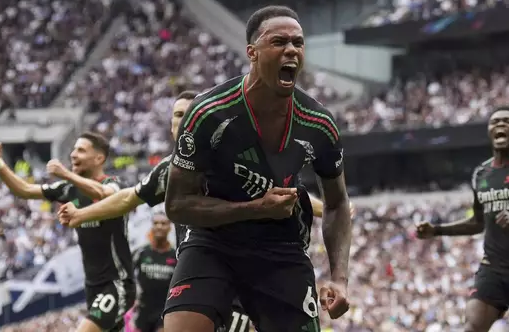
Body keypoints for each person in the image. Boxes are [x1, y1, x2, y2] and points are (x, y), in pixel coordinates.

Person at [58, 90, 354, 331]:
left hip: (242, 270)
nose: (183, 120)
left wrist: (329, 208)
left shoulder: (230, 160)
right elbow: (127, 199)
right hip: (200, 270)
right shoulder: (167, 171)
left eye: (188, 114)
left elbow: (288, 195)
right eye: (177, 115)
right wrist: (83, 215)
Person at [162, 5, 352, 332]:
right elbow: (176, 205)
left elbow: (337, 203)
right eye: (279, 42)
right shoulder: (208, 113)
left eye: (298, 42)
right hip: (213, 242)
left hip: (280, 248)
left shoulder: (319, 123)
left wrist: (340, 279)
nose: (291, 49)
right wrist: (255, 208)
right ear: (252, 52)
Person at [415, 107, 509, 332]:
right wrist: (437, 230)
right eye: (495, 122)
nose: (500, 125)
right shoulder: (481, 173)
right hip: (494, 269)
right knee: (473, 326)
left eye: (508, 121)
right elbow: (478, 223)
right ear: (489, 131)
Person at [0, 133, 136, 332]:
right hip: (92, 286)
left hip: (117, 284)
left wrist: (66, 174)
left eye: (81, 150)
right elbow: (25, 190)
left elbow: (104, 194)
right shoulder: (68, 189)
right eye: (73, 149)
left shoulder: (115, 183)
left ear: (99, 158)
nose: (73, 154)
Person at [130, 213, 176, 332]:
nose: (159, 226)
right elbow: (125, 275)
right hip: (144, 311)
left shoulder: (177, 255)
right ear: (152, 227)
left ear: (170, 227)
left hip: (165, 311)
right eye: (156, 223)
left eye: (163, 223)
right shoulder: (140, 253)